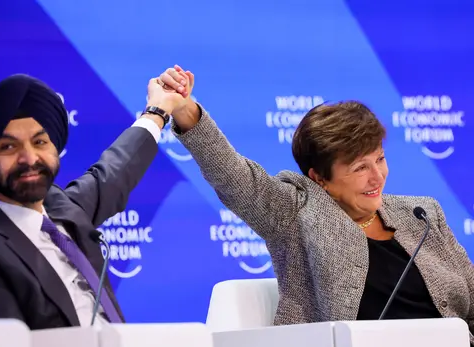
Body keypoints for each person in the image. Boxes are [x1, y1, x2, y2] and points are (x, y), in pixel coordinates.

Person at [158, 65, 474, 343]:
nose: (377, 177)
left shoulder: (422, 215)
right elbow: (235, 177)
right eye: (360, 168)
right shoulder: (297, 214)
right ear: (320, 178)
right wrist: (187, 111)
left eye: (380, 159)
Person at [0, 74, 185, 329]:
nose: (29, 158)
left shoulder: (59, 207)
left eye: (40, 142)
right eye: (8, 147)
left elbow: (116, 171)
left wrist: (158, 110)